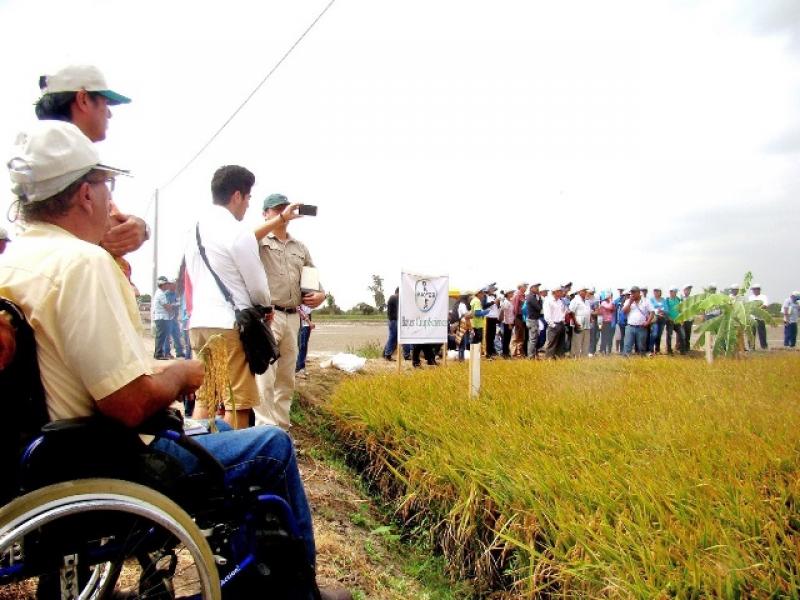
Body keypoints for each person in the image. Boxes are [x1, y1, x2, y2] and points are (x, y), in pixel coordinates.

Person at [0, 121, 351, 600]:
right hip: (102, 458)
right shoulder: (81, 265)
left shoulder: (19, 256)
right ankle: (298, 592)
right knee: (271, 446)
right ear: (84, 194)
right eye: (107, 187)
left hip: (43, 455)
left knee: (223, 431)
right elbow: (125, 403)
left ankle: (252, 572)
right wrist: (180, 374)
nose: (112, 202)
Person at [35, 65, 149, 264]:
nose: (109, 114)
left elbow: (109, 226)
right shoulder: (43, 167)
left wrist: (139, 228)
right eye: (105, 103)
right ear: (84, 99)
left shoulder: (45, 158)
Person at [185, 165, 270, 430]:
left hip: (199, 323)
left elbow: (192, 273)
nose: (247, 205)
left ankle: (198, 458)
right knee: (237, 402)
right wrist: (265, 306)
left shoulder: (195, 230)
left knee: (206, 397)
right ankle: (233, 462)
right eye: (248, 198)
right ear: (237, 196)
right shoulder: (237, 231)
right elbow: (257, 286)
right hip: (229, 326)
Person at [254, 194, 326, 430]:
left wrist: (321, 295)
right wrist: (279, 220)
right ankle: (264, 428)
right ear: (265, 213)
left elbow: (312, 278)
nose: (283, 214)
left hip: (293, 316)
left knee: (286, 375)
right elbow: (247, 238)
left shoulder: (299, 247)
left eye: (285, 210)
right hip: (268, 315)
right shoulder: (260, 241)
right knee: (266, 374)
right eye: (276, 210)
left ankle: (281, 427)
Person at [152, 275, 178, 359]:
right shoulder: (161, 294)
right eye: (166, 284)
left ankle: (159, 354)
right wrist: (175, 306)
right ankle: (158, 354)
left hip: (161, 318)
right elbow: (167, 307)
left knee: (161, 337)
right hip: (162, 318)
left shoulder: (159, 293)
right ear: (162, 285)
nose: (168, 285)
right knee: (161, 337)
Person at [622, 286, 652, 356]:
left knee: (641, 347)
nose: (632, 294)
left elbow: (652, 312)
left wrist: (648, 322)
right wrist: (630, 302)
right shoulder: (628, 301)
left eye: (634, 292)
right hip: (630, 327)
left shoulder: (646, 301)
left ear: (639, 293)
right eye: (631, 292)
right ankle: (625, 362)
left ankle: (641, 361)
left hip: (641, 327)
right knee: (627, 346)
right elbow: (624, 311)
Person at [543, 285, 567, 359]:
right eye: (560, 291)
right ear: (555, 292)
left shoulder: (560, 301)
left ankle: (558, 358)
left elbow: (562, 312)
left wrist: (563, 321)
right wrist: (553, 325)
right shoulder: (548, 301)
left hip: (561, 324)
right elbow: (547, 315)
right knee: (552, 343)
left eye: (561, 291)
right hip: (554, 324)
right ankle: (549, 359)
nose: (561, 293)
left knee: (560, 343)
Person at [568, 286, 592, 358]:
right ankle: (575, 357)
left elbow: (588, 311)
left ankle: (584, 357)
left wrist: (590, 318)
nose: (585, 292)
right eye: (583, 291)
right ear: (579, 292)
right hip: (578, 324)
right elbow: (571, 312)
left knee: (586, 342)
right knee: (577, 342)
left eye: (585, 291)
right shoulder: (575, 300)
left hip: (587, 325)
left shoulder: (587, 301)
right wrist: (575, 323)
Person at [525, 283, 543, 359]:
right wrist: (540, 299)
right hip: (532, 320)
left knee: (533, 339)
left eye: (538, 287)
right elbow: (539, 308)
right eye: (536, 287)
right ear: (531, 288)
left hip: (533, 320)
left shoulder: (532, 296)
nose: (538, 289)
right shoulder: (531, 297)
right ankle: (530, 357)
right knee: (532, 340)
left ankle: (532, 355)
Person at [663, 286, 684, 355]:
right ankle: (669, 350)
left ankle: (682, 350)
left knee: (682, 335)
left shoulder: (678, 299)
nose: (673, 293)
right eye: (672, 291)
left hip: (677, 321)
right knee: (669, 335)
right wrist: (669, 318)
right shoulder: (667, 300)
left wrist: (681, 319)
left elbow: (681, 310)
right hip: (670, 321)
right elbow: (666, 310)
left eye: (675, 292)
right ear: (670, 292)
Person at [748, 284, 769, 350]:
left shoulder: (763, 297)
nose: (754, 291)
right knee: (751, 333)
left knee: (762, 333)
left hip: (760, 317)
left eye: (755, 289)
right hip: (752, 318)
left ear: (758, 289)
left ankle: (764, 346)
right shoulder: (750, 297)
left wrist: (757, 309)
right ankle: (751, 347)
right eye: (753, 290)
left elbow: (765, 305)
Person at [296, 303, 314, 377]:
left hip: (306, 324)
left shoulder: (306, 300)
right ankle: (300, 368)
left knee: (303, 346)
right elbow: (299, 310)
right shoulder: (299, 300)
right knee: (302, 346)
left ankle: (300, 367)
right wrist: (309, 323)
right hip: (303, 324)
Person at [648, 287, 667, 354]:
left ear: (660, 292)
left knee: (659, 334)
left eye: (657, 291)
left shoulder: (664, 300)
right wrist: (657, 311)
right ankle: (650, 349)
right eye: (655, 291)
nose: (656, 292)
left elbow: (667, 309)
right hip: (654, 318)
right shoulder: (651, 300)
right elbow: (650, 309)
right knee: (654, 334)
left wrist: (662, 311)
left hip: (662, 319)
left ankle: (657, 349)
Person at [483, 284, 501, 359]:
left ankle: (492, 351)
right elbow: (484, 306)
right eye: (492, 289)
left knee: (493, 336)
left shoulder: (494, 297)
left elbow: (497, 307)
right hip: (488, 317)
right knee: (488, 336)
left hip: (494, 318)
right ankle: (488, 352)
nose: (494, 291)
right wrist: (493, 302)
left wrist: (497, 303)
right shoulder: (485, 297)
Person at [511, 282, 528, 357]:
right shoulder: (517, 295)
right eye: (525, 286)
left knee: (521, 335)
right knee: (517, 335)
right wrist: (515, 318)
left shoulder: (523, 295)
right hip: (518, 317)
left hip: (523, 317)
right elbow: (515, 308)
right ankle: (514, 352)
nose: (526, 287)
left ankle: (520, 351)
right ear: (520, 287)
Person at [383, 287, 399, 360]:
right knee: (392, 338)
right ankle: (387, 355)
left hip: (393, 320)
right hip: (394, 321)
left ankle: (385, 354)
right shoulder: (394, 297)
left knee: (393, 338)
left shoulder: (393, 297)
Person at [498, 290, 515, 358]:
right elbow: (505, 314)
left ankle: (506, 352)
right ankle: (505, 353)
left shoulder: (509, 301)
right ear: (507, 294)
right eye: (511, 293)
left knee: (508, 338)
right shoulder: (506, 302)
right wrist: (509, 324)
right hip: (507, 323)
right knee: (506, 338)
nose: (512, 294)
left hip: (510, 322)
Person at [680, 284, 693, 353]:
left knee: (688, 334)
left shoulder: (692, 299)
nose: (689, 291)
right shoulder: (681, 299)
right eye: (687, 289)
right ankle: (682, 348)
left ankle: (687, 348)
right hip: (683, 319)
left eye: (690, 289)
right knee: (682, 335)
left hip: (689, 319)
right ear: (684, 290)